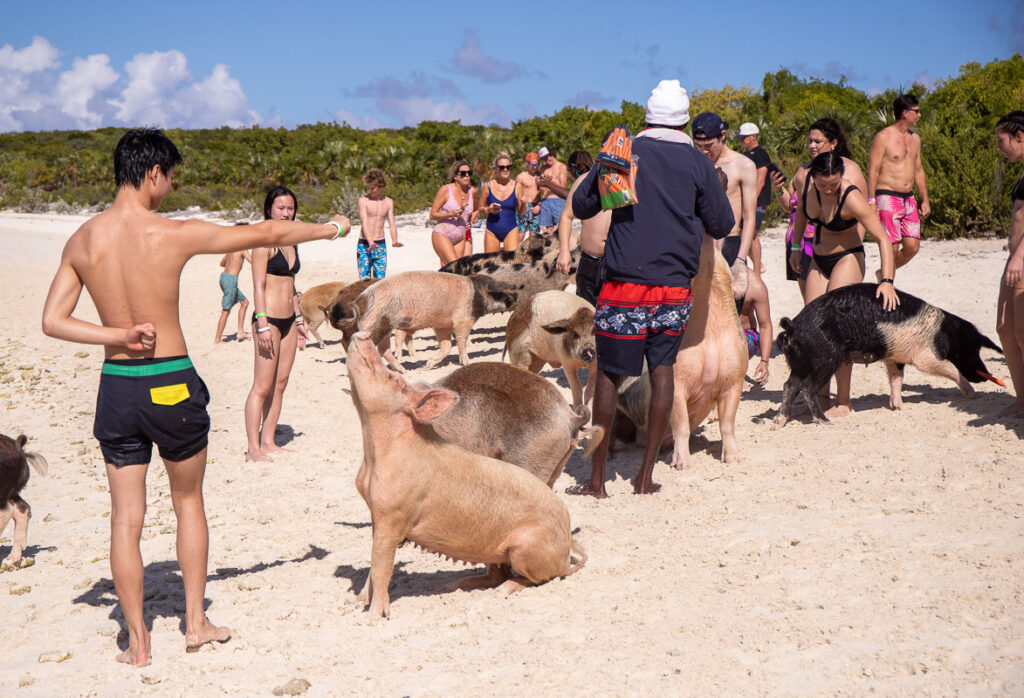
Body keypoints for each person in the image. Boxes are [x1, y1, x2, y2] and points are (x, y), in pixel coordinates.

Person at [40, 128, 350, 666]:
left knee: (124, 519)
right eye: (170, 177)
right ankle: (196, 623)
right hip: (171, 382)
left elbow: (52, 321)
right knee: (188, 503)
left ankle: (137, 642)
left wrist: (116, 335)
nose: (170, 187)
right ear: (154, 172)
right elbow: (266, 229)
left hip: (117, 386)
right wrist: (331, 227)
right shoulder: (172, 234)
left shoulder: (82, 240)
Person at [568, 79, 734, 497]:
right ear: (683, 123)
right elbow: (722, 224)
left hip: (624, 284)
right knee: (663, 374)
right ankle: (645, 479)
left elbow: (585, 205)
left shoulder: (624, 151)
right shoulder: (697, 163)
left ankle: (597, 482)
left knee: (608, 376)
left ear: (646, 117)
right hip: (675, 288)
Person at [789, 151, 899, 418]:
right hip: (818, 259)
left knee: (837, 329)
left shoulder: (851, 197)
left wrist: (886, 281)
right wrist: (795, 247)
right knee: (815, 329)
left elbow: (883, 240)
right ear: (814, 178)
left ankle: (844, 400)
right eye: (823, 184)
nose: (828, 190)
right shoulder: (809, 190)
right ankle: (820, 399)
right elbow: (802, 216)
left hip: (847, 258)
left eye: (834, 184)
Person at [244, 186, 311, 462]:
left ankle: (269, 440)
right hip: (268, 319)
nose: (286, 213)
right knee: (262, 386)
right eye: (281, 208)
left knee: (280, 383)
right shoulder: (263, 240)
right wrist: (261, 324)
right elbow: (258, 286)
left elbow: (291, 285)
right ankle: (253, 448)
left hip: (289, 321)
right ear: (269, 208)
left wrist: (298, 318)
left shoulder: (291, 239)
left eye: (290, 208)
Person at [772, 118, 867, 303]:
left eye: (817, 141)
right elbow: (790, 206)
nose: (812, 146)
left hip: (838, 246)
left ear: (833, 143)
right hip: (800, 242)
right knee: (812, 308)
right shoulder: (804, 171)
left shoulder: (849, 171)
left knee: (834, 305)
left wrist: (856, 244)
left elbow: (863, 214)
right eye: (810, 141)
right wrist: (778, 189)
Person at [691, 112, 756, 299]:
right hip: (700, 244)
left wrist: (741, 259)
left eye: (709, 146)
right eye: (699, 146)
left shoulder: (743, 165)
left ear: (723, 136)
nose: (704, 151)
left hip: (730, 243)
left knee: (733, 310)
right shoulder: (695, 163)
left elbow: (749, 217)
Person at [867, 94, 930, 272]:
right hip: (887, 196)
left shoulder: (915, 138)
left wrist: (925, 199)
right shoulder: (883, 137)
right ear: (905, 113)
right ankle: (887, 285)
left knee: (912, 247)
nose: (919, 115)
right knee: (891, 247)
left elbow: (918, 170)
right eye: (916, 111)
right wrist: (871, 201)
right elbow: (873, 171)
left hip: (908, 199)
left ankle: (884, 274)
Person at [995, 111, 1024, 419]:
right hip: (1014, 260)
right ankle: (1021, 398)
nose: (999, 148)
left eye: (1001, 141)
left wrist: (1019, 256)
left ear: (1020, 136)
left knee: (1022, 331)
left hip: (1022, 260)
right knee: (1004, 328)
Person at [556, 150, 611, 305]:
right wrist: (564, 251)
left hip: (616, 261)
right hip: (589, 261)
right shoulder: (584, 180)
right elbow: (566, 215)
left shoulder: (630, 182)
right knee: (585, 314)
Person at [736, 122, 773, 274]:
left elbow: (761, 179)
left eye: (744, 137)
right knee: (742, 233)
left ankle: (758, 270)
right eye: (741, 138)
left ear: (753, 136)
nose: (742, 140)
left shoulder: (760, 154)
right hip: (748, 200)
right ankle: (757, 265)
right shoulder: (746, 156)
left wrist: (751, 200)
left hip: (757, 200)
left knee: (752, 233)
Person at [356, 168, 400, 280]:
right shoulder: (363, 201)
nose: (370, 190)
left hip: (380, 244)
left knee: (380, 281)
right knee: (364, 281)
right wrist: (370, 242)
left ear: (381, 186)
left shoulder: (389, 202)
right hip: (365, 244)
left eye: (373, 188)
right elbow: (364, 223)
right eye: (368, 188)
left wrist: (394, 240)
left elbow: (392, 223)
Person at [429, 160, 475, 265]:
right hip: (443, 233)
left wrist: (471, 220)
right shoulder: (445, 190)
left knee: (451, 274)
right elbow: (432, 215)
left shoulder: (472, 191)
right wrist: (451, 214)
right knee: (455, 268)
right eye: (463, 173)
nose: (467, 176)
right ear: (455, 176)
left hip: (460, 236)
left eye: (469, 173)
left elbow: (476, 209)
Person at [477, 152, 524, 252]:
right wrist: (488, 209)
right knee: (490, 263)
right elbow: (480, 209)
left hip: (511, 229)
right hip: (492, 230)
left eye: (508, 167)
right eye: (502, 167)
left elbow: (521, 213)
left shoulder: (517, 186)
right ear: (496, 169)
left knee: (511, 263)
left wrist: (524, 204)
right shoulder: (487, 186)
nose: (505, 169)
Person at [213, 234, 251, 343]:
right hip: (231, 279)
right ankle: (217, 339)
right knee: (226, 310)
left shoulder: (231, 249)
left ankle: (240, 332)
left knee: (244, 302)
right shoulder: (243, 249)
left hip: (223, 277)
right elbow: (252, 261)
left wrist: (232, 263)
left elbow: (222, 263)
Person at [739, 272, 772, 388]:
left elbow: (765, 325)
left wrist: (764, 361)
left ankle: (737, 375)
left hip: (744, 337)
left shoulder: (755, 285)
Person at [536, 146, 568, 234]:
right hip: (545, 200)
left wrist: (551, 182)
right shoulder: (543, 168)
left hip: (557, 200)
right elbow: (541, 188)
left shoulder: (562, 167)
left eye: (546, 158)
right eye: (543, 159)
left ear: (552, 154)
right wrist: (539, 183)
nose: (546, 161)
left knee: (561, 227)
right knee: (546, 230)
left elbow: (563, 188)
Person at [516, 152, 542, 237]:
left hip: (536, 206)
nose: (534, 167)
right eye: (532, 165)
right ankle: (514, 250)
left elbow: (545, 192)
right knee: (521, 232)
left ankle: (531, 250)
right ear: (527, 164)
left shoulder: (541, 176)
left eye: (536, 164)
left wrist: (539, 205)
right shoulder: (521, 177)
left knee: (533, 234)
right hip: (524, 206)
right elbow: (515, 193)